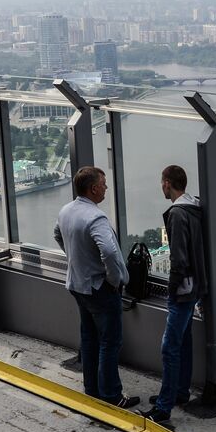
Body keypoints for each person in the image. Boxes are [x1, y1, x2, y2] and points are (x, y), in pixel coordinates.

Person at [54, 167, 138, 408]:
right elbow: (109, 252)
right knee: (110, 342)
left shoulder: (66, 210)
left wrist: (75, 259)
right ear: (93, 189)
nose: (106, 188)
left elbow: (57, 234)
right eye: (103, 184)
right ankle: (111, 395)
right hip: (99, 287)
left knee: (89, 337)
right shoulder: (95, 218)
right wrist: (114, 279)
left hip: (77, 284)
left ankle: (92, 389)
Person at [144, 165, 207, 424]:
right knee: (184, 341)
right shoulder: (194, 207)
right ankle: (179, 392)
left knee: (169, 347)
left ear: (168, 183)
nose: (161, 186)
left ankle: (164, 407)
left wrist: (172, 287)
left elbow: (179, 258)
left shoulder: (177, 214)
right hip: (195, 286)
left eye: (162, 182)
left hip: (183, 289)